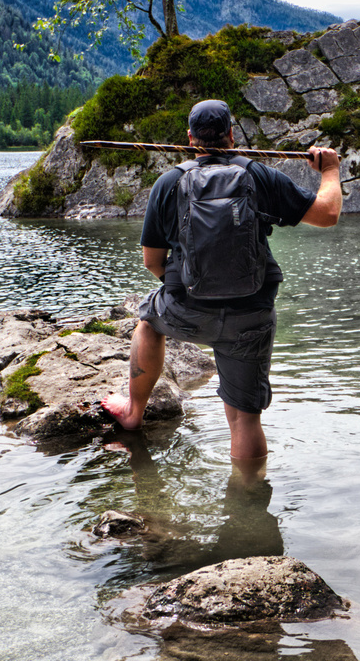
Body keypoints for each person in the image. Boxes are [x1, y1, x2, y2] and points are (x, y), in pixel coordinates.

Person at [101, 98, 342, 462]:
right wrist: (330, 171)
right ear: (232, 134)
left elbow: (153, 262)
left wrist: (188, 286)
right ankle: (249, 503)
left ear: (189, 137)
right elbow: (328, 215)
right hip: (251, 315)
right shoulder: (259, 176)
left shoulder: (169, 183)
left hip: (187, 311)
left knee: (148, 321)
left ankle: (133, 414)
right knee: (245, 419)